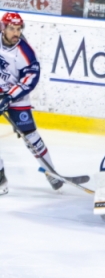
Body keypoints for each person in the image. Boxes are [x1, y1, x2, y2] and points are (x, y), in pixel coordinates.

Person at [0, 12, 63, 193]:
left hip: (17, 97)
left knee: (30, 135)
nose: (16, 33)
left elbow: (30, 79)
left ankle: (51, 172)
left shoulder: (25, 52)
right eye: (12, 29)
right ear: (3, 28)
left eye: (18, 29)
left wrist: (9, 97)